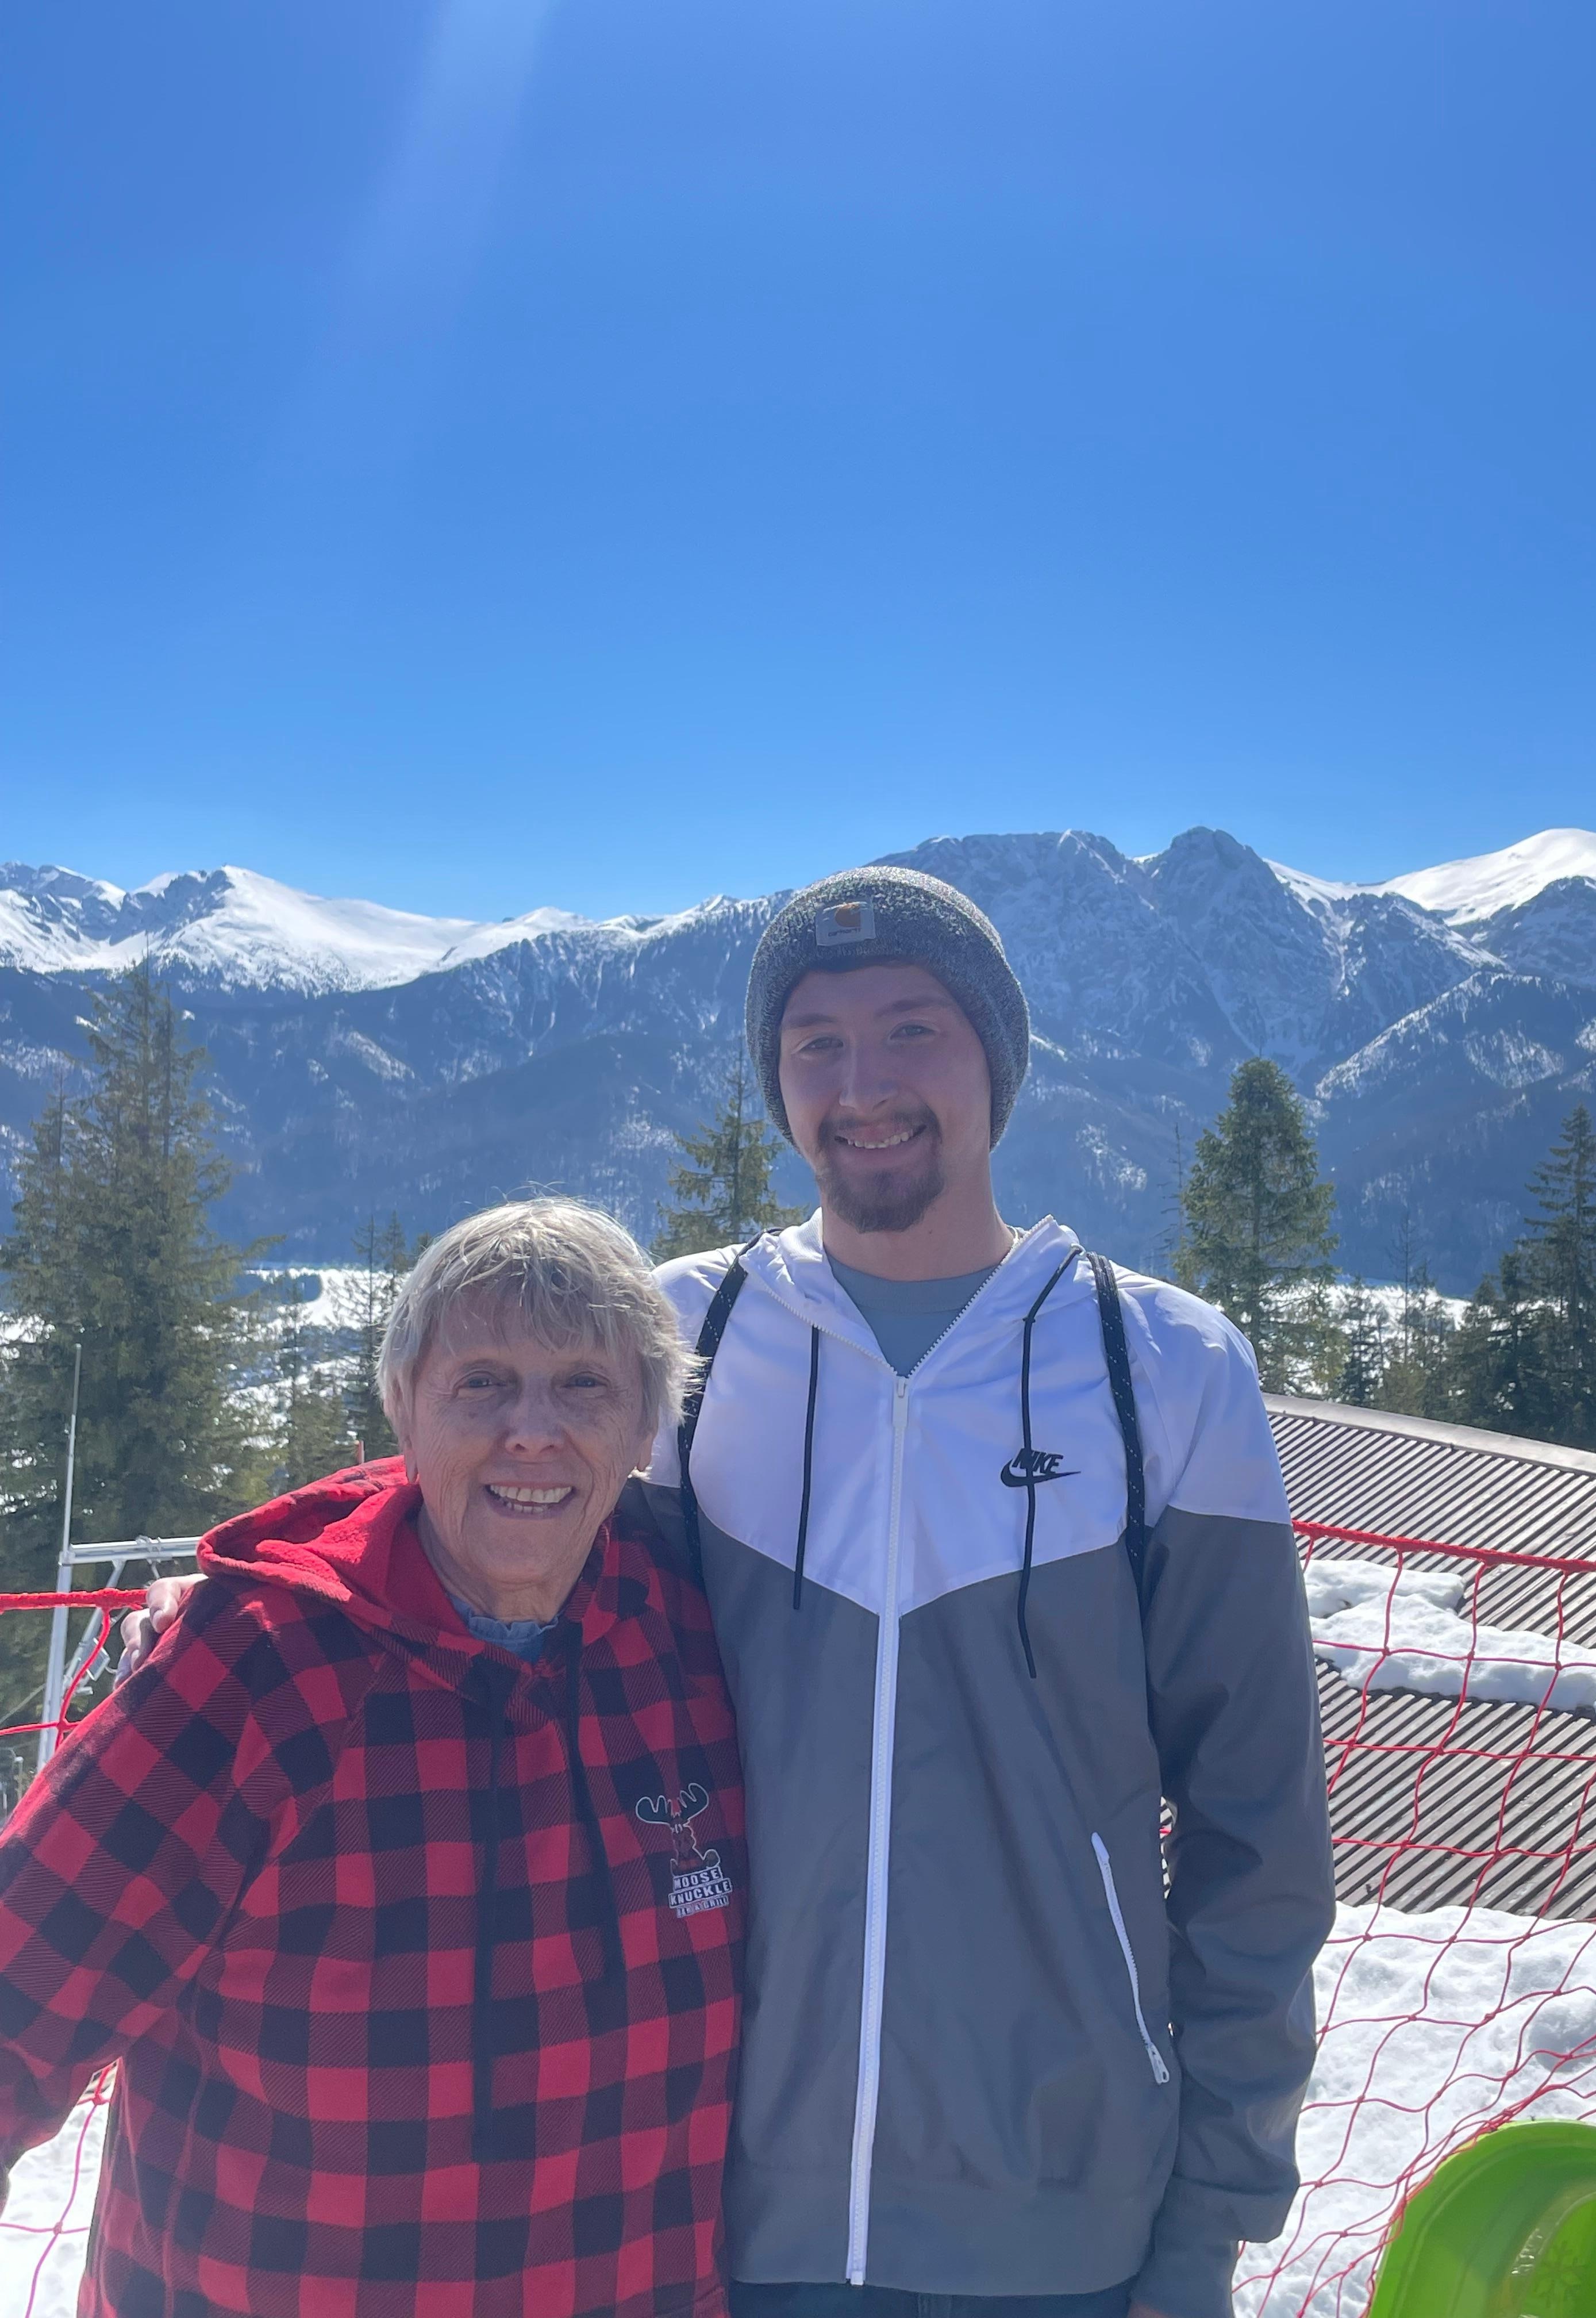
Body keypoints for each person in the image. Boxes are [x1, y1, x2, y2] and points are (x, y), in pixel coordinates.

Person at [124, 866, 1336, 2318]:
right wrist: (250, 1604)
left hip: (1068, 2223)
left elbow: (1258, 1829)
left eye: (913, 1029)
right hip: (711, 2212)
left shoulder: (1163, 1370)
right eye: (817, 1043)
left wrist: (1212, 2220)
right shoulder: (685, 1338)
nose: (863, 1085)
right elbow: (491, 1518)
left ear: (998, 1060)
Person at [0, 1199, 744, 2318]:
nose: (532, 1431)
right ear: (403, 1407)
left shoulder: (692, 1642)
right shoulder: (263, 1665)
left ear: (647, 1430)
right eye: (481, 1382)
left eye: (585, 1384)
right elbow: (20, 1998)